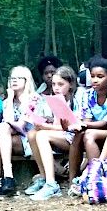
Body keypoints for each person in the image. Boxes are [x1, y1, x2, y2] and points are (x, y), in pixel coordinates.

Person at [0, 66, 44, 198]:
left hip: (30, 140)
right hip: (9, 139)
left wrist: (5, 126)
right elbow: (8, 120)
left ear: (27, 81)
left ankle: (7, 176)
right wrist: (10, 98)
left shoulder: (33, 99)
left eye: (19, 78)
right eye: (12, 78)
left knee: (1, 130)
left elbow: (21, 126)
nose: (14, 81)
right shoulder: (8, 101)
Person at [66, 56, 107, 196]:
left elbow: (106, 123)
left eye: (100, 76)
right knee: (79, 134)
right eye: (92, 76)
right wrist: (79, 125)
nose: (95, 80)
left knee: (88, 134)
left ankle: (96, 177)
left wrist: (83, 124)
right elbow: (87, 119)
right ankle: (72, 180)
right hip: (94, 129)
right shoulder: (87, 94)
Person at [25, 66, 84, 200]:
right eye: (54, 84)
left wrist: (45, 127)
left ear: (70, 85)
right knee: (32, 133)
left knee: (41, 134)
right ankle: (44, 177)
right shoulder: (58, 99)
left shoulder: (79, 97)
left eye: (60, 84)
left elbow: (73, 126)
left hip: (76, 136)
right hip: (65, 135)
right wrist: (43, 125)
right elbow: (59, 125)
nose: (56, 88)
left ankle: (51, 184)